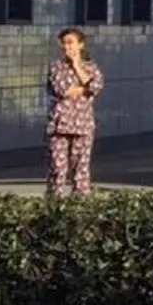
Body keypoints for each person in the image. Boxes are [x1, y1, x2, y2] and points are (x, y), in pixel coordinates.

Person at [46, 26, 103, 198]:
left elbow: (95, 86)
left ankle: (80, 200)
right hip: (60, 125)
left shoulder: (91, 67)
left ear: (80, 44)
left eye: (70, 43)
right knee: (58, 167)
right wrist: (84, 89)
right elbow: (62, 90)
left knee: (81, 168)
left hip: (83, 125)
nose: (66, 47)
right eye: (64, 43)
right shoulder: (56, 67)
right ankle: (54, 200)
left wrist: (77, 66)